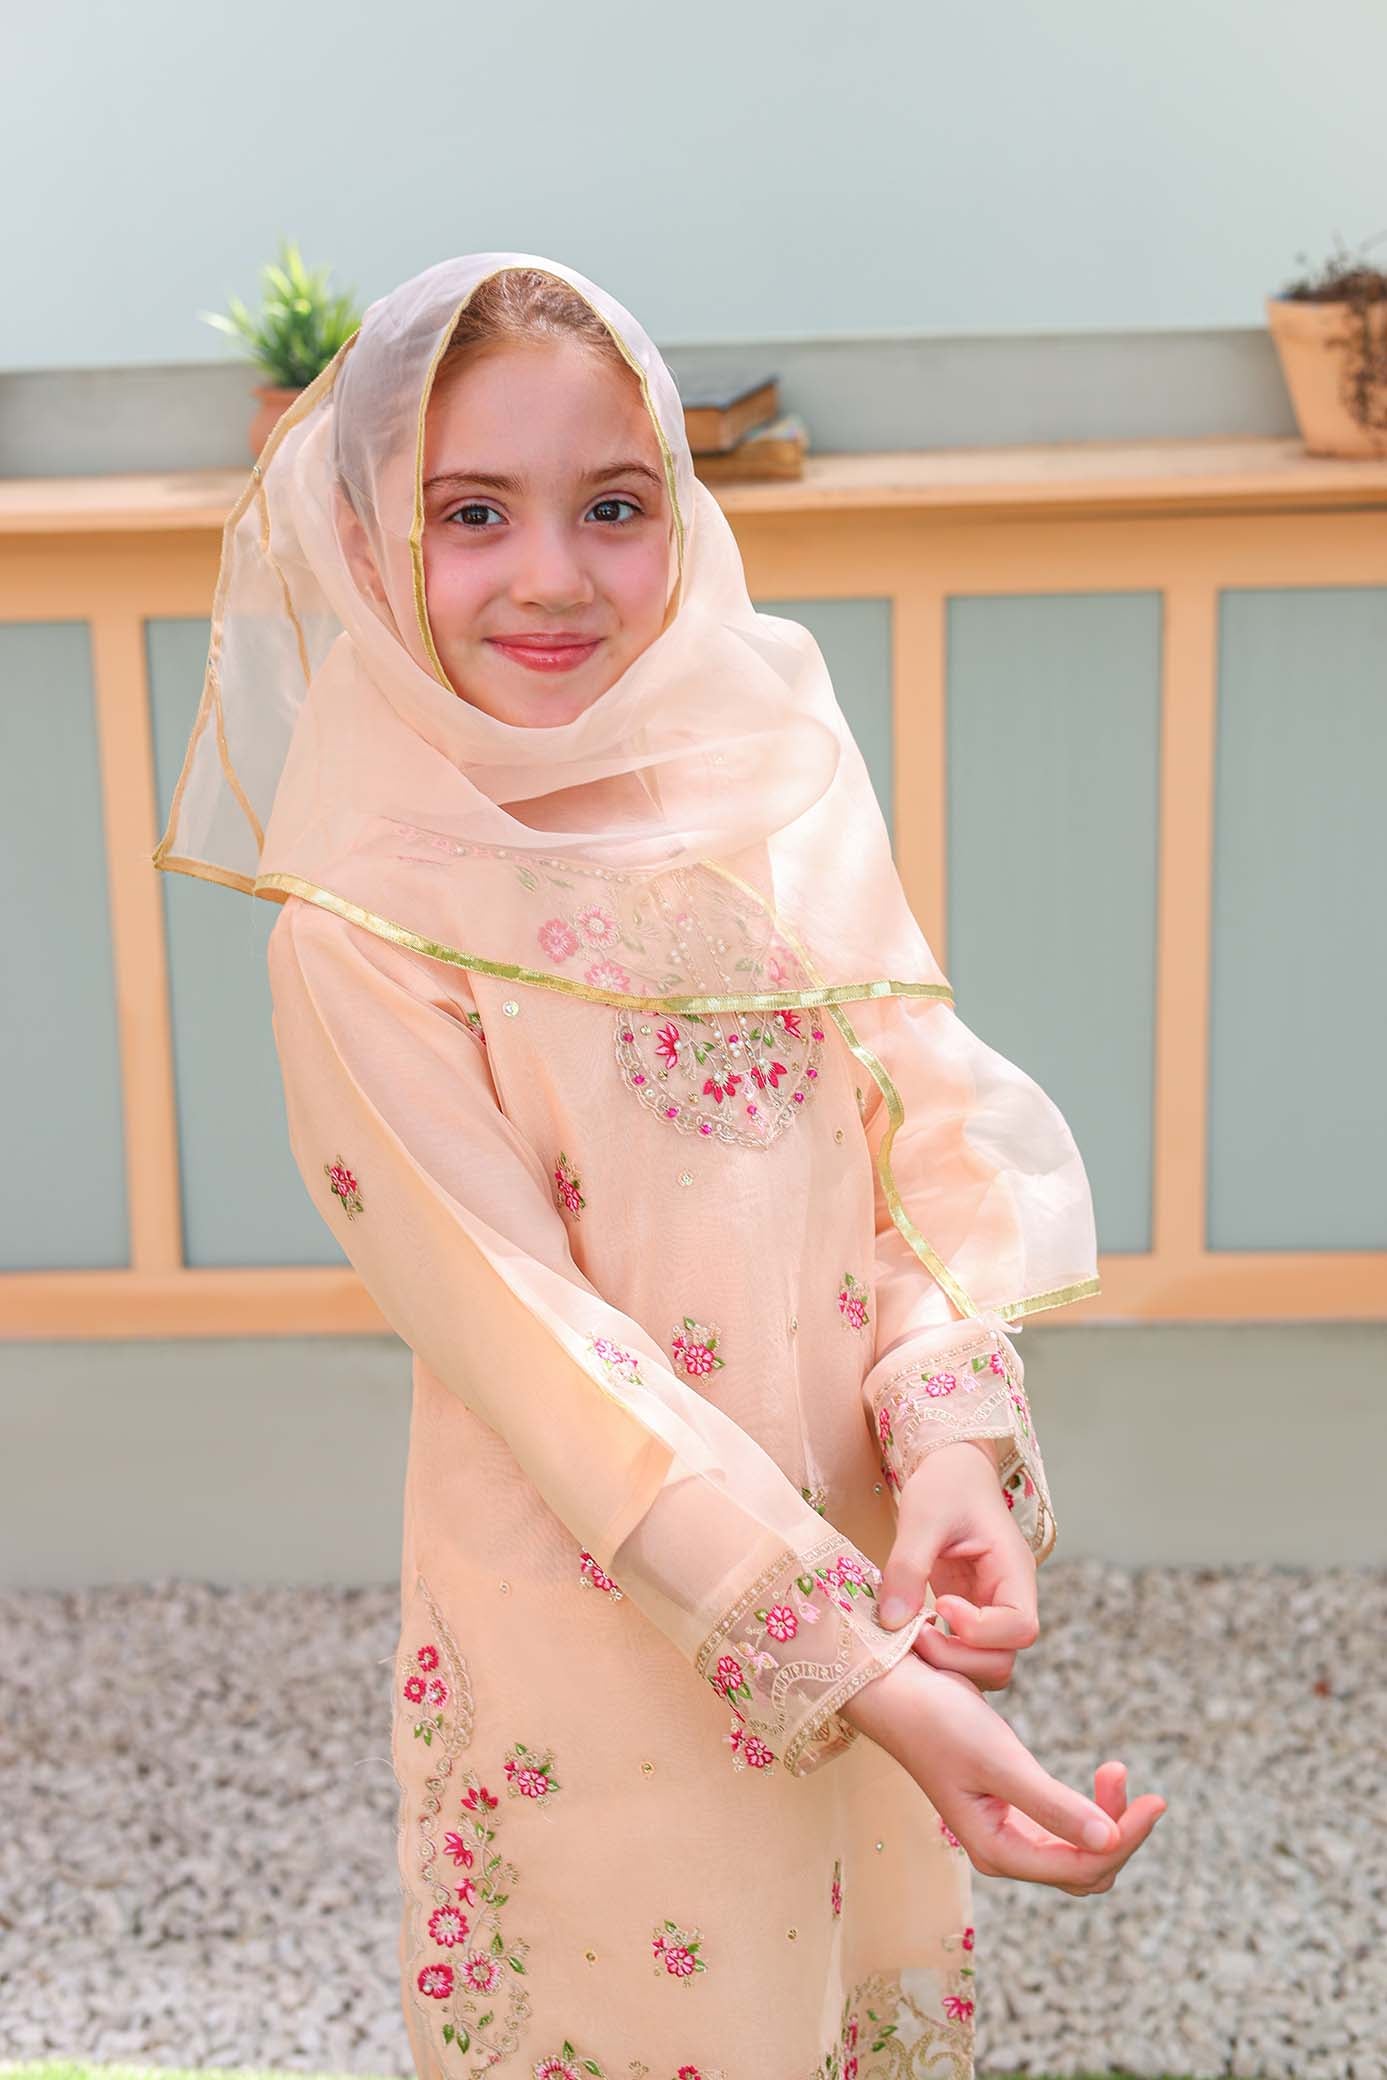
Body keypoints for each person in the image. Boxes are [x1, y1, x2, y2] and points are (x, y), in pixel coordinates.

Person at [152, 252, 1165, 2079]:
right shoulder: (363, 928)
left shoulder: (762, 801)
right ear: (372, 544)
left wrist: (945, 1443)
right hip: (598, 1634)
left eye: (613, 506)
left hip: (863, 1572)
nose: (551, 573)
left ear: (680, 522)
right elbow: (540, 1345)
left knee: (833, 1997)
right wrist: (861, 1675)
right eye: (474, 513)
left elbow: (917, 1121)